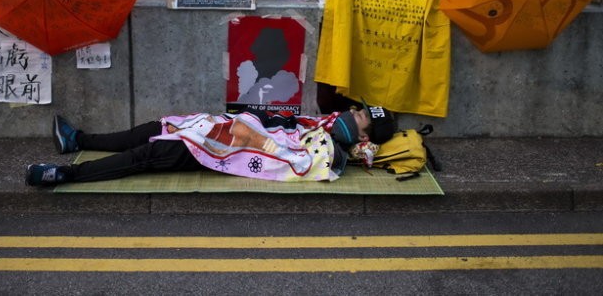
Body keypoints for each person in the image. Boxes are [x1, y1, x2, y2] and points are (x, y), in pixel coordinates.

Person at [25, 102, 396, 187]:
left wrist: (249, 131)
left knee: (147, 155)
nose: (351, 110)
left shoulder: (329, 149)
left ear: (363, 136)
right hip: (218, 129)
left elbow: (293, 160)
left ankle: (63, 175)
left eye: (360, 115)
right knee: (154, 127)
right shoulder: (320, 124)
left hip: (223, 148)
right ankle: (77, 140)